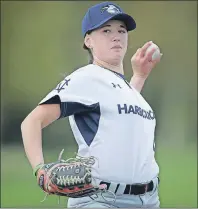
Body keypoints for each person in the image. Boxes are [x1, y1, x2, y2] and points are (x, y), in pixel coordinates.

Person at [21, 1, 162, 208]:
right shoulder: (87, 77)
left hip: (149, 200)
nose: (116, 36)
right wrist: (40, 171)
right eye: (106, 30)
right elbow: (32, 121)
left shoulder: (127, 90)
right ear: (88, 40)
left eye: (121, 30)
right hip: (103, 200)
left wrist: (139, 76)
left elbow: (122, 114)